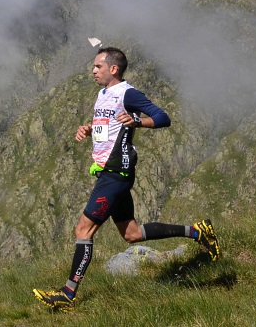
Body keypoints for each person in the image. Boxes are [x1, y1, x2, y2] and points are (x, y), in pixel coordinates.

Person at [33, 47, 220, 312]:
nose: (93, 70)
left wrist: (137, 122)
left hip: (115, 174)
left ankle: (67, 295)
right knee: (131, 234)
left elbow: (162, 117)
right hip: (108, 173)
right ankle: (198, 231)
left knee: (83, 231)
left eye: (98, 66)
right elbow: (108, 128)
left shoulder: (127, 93)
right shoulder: (103, 94)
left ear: (114, 69)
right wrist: (89, 131)